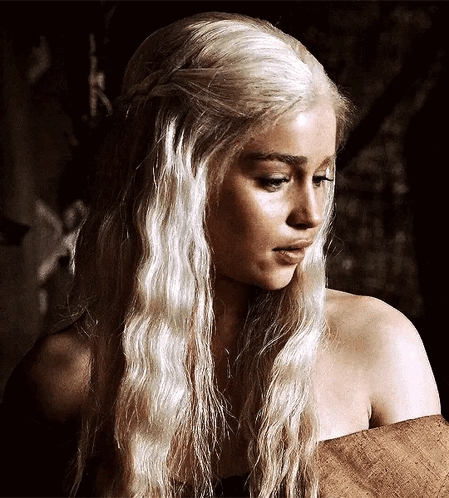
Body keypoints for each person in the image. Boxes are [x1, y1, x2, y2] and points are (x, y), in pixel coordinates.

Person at [0, 11, 447, 498]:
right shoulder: (64, 379)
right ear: (179, 180)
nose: (311, 214)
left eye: (322, 177)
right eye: (275, 180)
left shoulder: (379, 347)